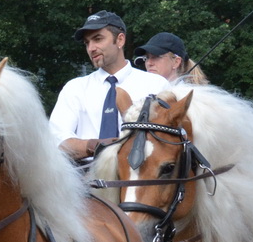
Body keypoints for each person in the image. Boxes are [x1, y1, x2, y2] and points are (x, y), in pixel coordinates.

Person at [48, 11, 166, 161]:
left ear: (120, 40)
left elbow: (169, 141)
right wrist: (94, 146)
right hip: (87, 179)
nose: (91, 48)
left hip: (139, 177)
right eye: (87, 42)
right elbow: (55, 140)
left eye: (98, 39)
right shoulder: (75, 88)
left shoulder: (156, 85)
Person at [136, 32, 209, 85]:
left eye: (156, 57)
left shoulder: (188, 96)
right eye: (147, 58)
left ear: (176, 62)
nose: (149, 63)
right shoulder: (142, 92)